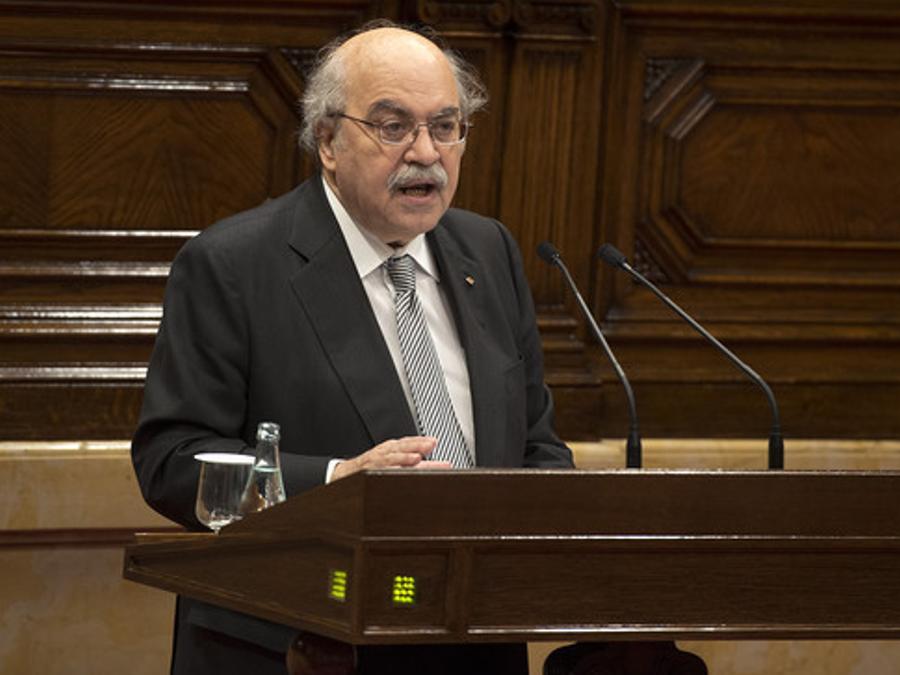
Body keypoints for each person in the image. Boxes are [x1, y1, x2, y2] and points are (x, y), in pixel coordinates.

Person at [132, 20, 573, 675]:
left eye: (446, 126)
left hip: (474, 638)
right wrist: (339, 481)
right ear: (329, 141)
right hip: (301, 645)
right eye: (393, 126)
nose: (426, 152)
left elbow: (536, 446)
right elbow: (172, 462)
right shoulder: (232, 265)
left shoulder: (490, 251)